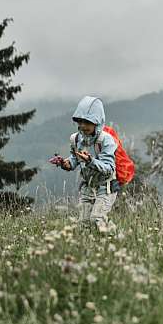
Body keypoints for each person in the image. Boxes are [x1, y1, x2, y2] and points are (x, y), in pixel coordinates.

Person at [56, 96, 119, 230]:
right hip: (88, 187)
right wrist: (66, 164)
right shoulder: (76, 139)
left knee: (97, 219)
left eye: (87, 122)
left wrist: (90, 161)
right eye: (80, 121)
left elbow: (109, 168)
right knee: (84, 224)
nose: (83, 126)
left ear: (97, 122)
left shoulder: (106, 140)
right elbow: (74, 159)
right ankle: (90, 249)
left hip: (106, 187)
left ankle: (116, 240)